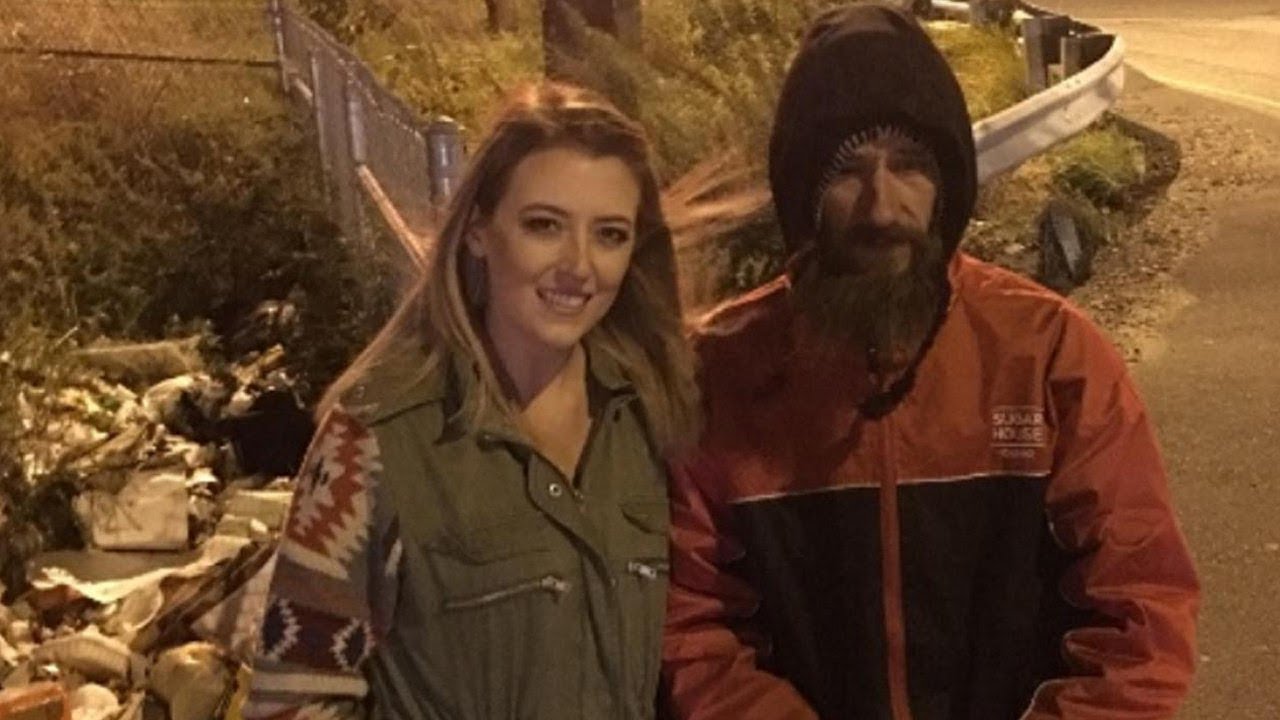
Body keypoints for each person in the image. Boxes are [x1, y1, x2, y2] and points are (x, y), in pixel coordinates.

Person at [661, 5, 1200, 720]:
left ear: (947, 183)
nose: (882, 208)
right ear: (801, 193)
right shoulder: (722, 374)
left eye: (910, 167)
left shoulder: (1046, 354)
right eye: (847, 172)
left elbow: (1140, 609)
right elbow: (689, 624)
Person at [241, 81, 705, 720]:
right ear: (479, 231)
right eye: (544, 226)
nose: (579, 265)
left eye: (609, 235)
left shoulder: (654, 418)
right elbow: (291, 703)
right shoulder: (373, 440)